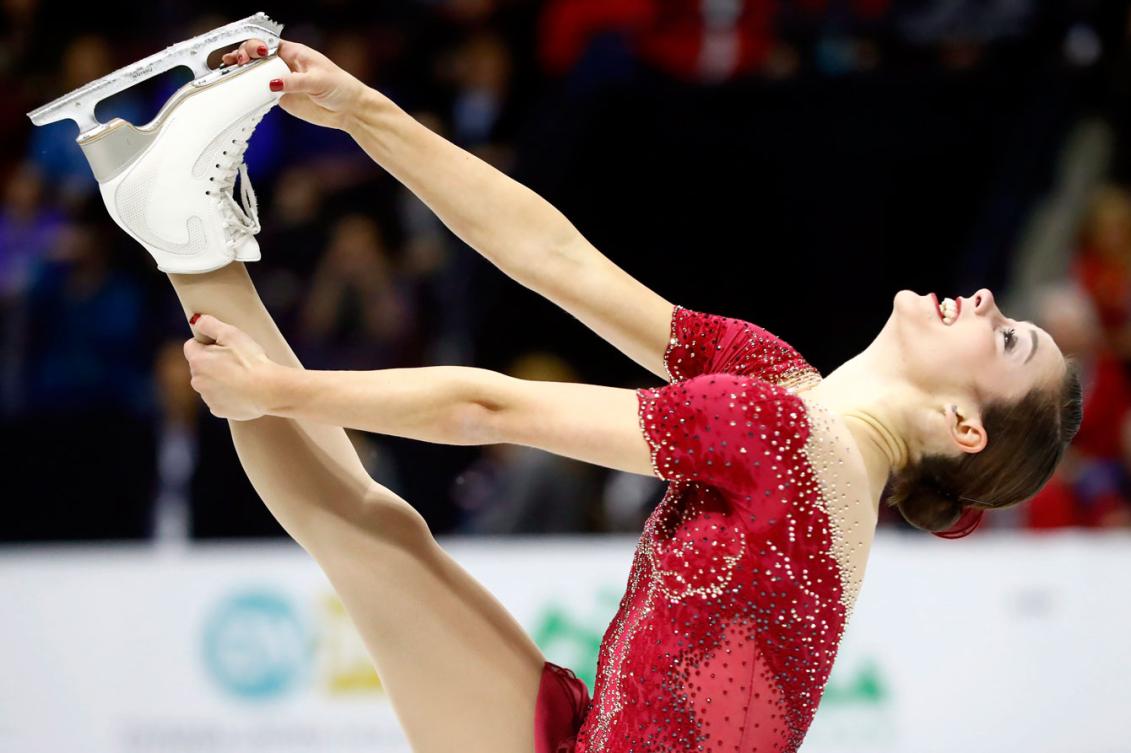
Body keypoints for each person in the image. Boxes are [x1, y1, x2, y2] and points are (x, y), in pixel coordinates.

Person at [122, 39, 1083, 753]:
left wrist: (278, 388)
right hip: (598, 732)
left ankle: (183, 235)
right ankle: (178, 219)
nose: (993, 301)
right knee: (374, 531)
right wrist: (363, 107)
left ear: (963, 425)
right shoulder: (781, 387)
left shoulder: (788, 434)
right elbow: (555, 260)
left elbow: (490, 412)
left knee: (370, 532)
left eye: (1007, 340)